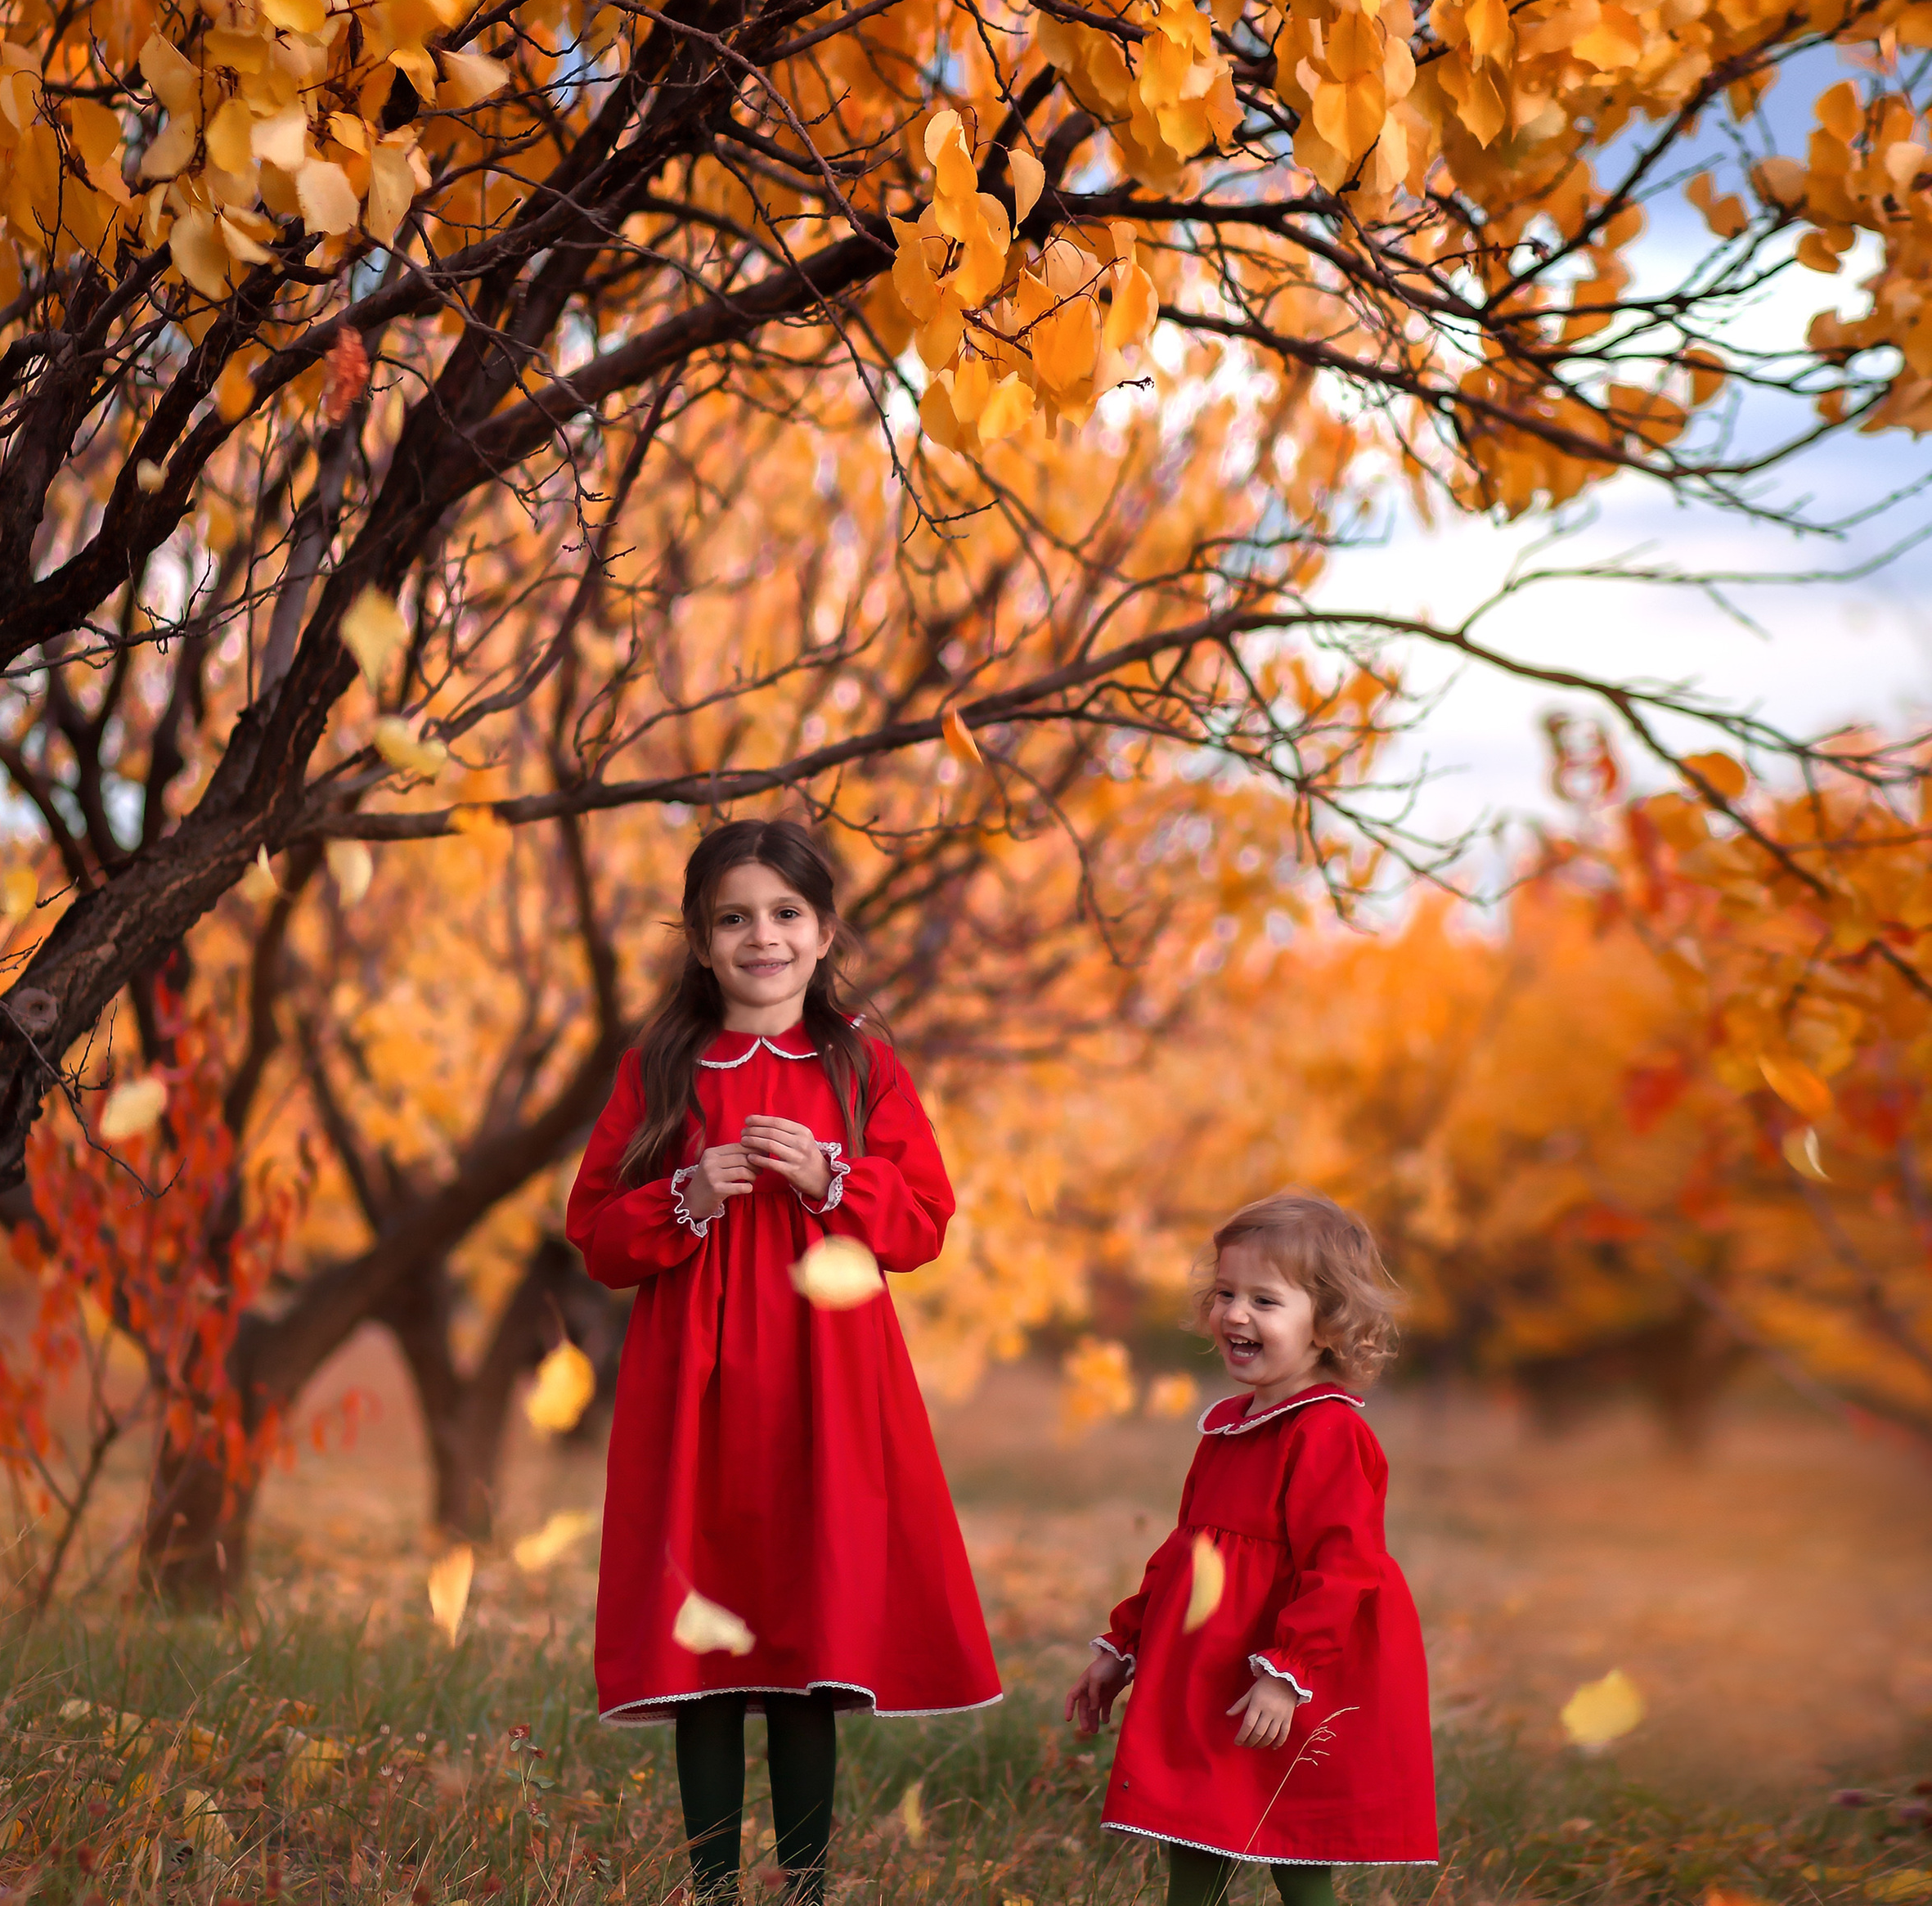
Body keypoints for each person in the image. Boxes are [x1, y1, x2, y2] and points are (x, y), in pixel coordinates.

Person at [565, 817, 1001, 1904]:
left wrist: (830, 1178)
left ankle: (803, 1883)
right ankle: (712, 1884)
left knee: (811, 1636)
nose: (762, 936)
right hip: (696, 1386)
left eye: (785, 913)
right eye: (735, 918)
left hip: (829, 1383)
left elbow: (926, 1224)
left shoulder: (860, 1063)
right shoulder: (662, 1063)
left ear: (823, 930)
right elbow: (595, 1230)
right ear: (701, 941)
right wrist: (690, 1192)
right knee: (706, 1641)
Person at [1063, 1188, 1437, 1906]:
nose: (1236, 1314)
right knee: (1194, 1824)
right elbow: (1184, 1554)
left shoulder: (1327, 1432)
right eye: (1226, 1293)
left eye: (1265, 1302)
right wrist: (1125, 1646)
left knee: (1296, 1842)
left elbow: (1344, 1566)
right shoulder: (1229, 1428)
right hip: (1210, 1669)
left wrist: (1286, 1670)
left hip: (1287, 1678)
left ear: (1326, 1323)